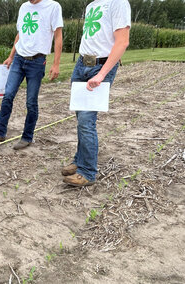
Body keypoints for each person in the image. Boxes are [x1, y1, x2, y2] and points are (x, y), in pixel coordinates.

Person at [62, 0, 131, 187]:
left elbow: (123, 41)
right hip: (82, 65)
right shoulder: (92, 5)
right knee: (80, 117)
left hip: (100, 67)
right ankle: (79, 160)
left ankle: (88, 171)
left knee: (86, 120)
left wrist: (102, 75)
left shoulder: (118, 3)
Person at [0, 0, 63, 151]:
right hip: (18, 59)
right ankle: (0, 132)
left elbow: (58, 36)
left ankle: (27, 137)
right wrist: (11, 56)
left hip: (37, 61)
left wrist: (56, 64)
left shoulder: (53, 7)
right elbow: (20, 34)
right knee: (8, 95)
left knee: (31, 101)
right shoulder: (24, 7)